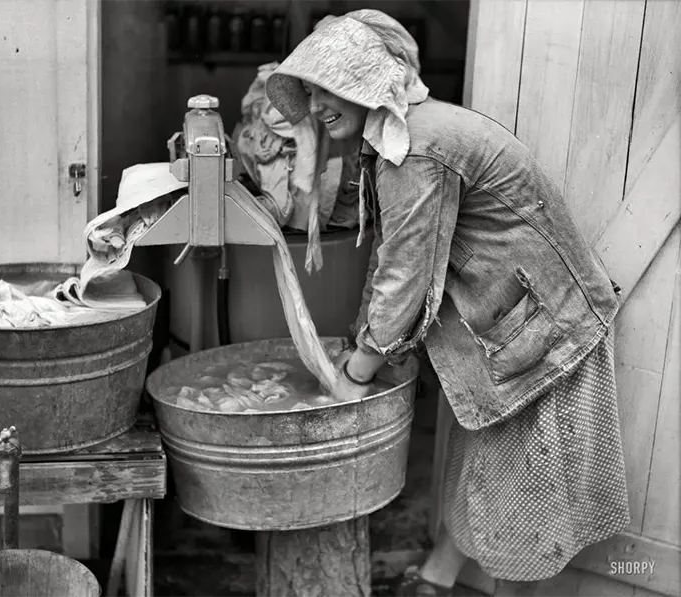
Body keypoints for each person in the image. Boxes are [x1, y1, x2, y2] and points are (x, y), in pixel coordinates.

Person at [266, 9, 630, 597]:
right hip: (512, 325)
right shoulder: (400, 136)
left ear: (368, 84)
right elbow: (392, 253)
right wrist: (364, 339)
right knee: (484, 475)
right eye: (308, 89)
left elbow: (407, 273)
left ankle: (480, 586)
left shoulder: (418, 146)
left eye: (328, 85)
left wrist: (358, 371)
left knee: (521, 503)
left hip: (542, 332)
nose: (315, 101)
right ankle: (436, 579)